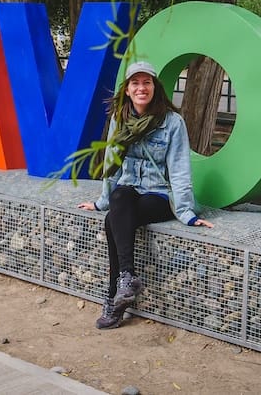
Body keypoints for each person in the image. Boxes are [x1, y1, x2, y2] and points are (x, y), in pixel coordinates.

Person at [78, 61, 213, 329]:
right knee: (118, 201)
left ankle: (114, 297)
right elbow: (111, 164)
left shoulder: (172, 122)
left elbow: (179, 169)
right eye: (135, 83)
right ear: (127, 90)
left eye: (146, 82)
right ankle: (126, 281)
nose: (142, 88)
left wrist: (187, 213)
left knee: (112, 221)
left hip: (159, 195)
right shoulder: (120, 119)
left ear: (155, 87)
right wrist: (100, 201)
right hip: (129, 191)